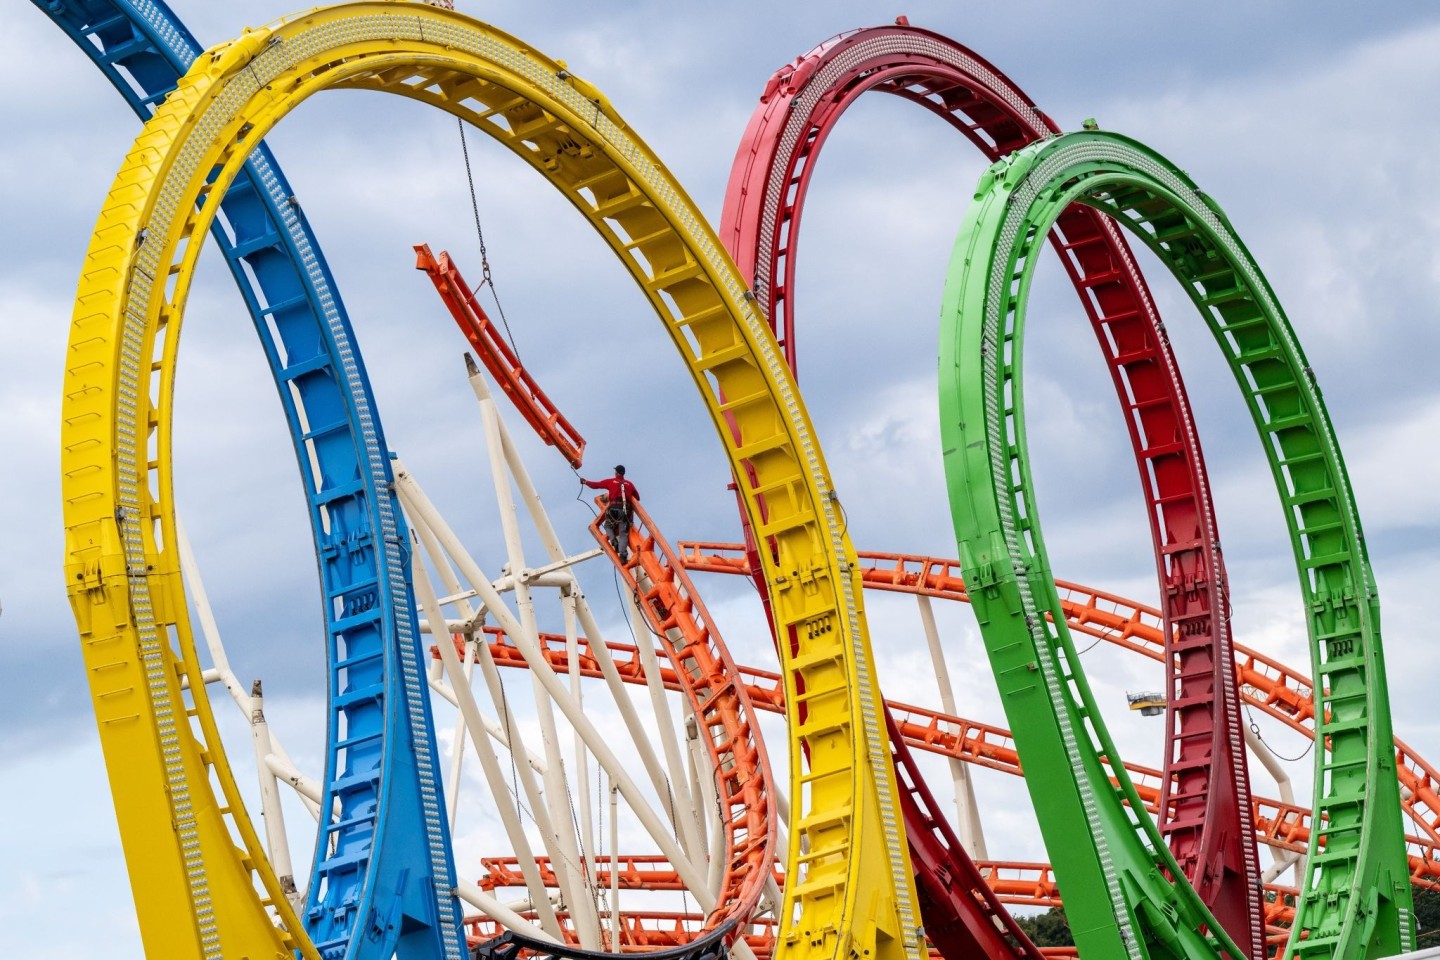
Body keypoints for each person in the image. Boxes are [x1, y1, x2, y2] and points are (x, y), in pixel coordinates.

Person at [581, 465, 640, 562]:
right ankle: (623, 556)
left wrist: (585, 482)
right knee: (623, 534)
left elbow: (596, 485)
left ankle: (613, 541)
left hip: (613, 509)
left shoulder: (611, 481)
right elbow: (637, 498)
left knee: (608, 526)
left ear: (616, 472)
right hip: (625, 512)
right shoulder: (630, 484)